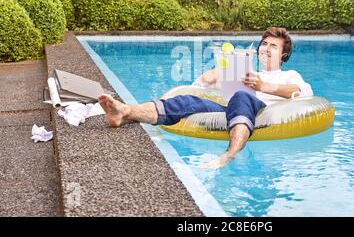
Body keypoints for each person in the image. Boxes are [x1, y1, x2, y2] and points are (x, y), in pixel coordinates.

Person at [98, 27, 313, 169]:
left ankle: (228, 155)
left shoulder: (289, 75)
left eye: (272, 46)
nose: (265, 48)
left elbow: (302, 92)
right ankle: (124, 112)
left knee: (241, 96)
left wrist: (263, 85)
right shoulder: (245, 71)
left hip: (259, 110)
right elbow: (199, 86)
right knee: (188, 102)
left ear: (283, 55)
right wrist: (212, 76)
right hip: (229, 107)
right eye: (264, 44)